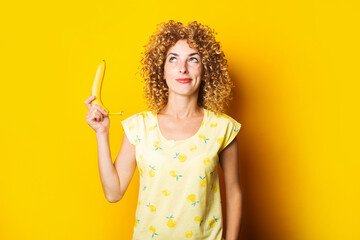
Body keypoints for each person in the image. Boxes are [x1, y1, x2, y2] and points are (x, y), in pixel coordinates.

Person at [85, 20, 242, 240]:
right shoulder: (139, 127)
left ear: (206, 71)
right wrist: (101, 133)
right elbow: (113, 193)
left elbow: (234, 193)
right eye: (173, 59)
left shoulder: (223, 128)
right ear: (162, 70)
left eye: (193, 59)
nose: (183, 68)